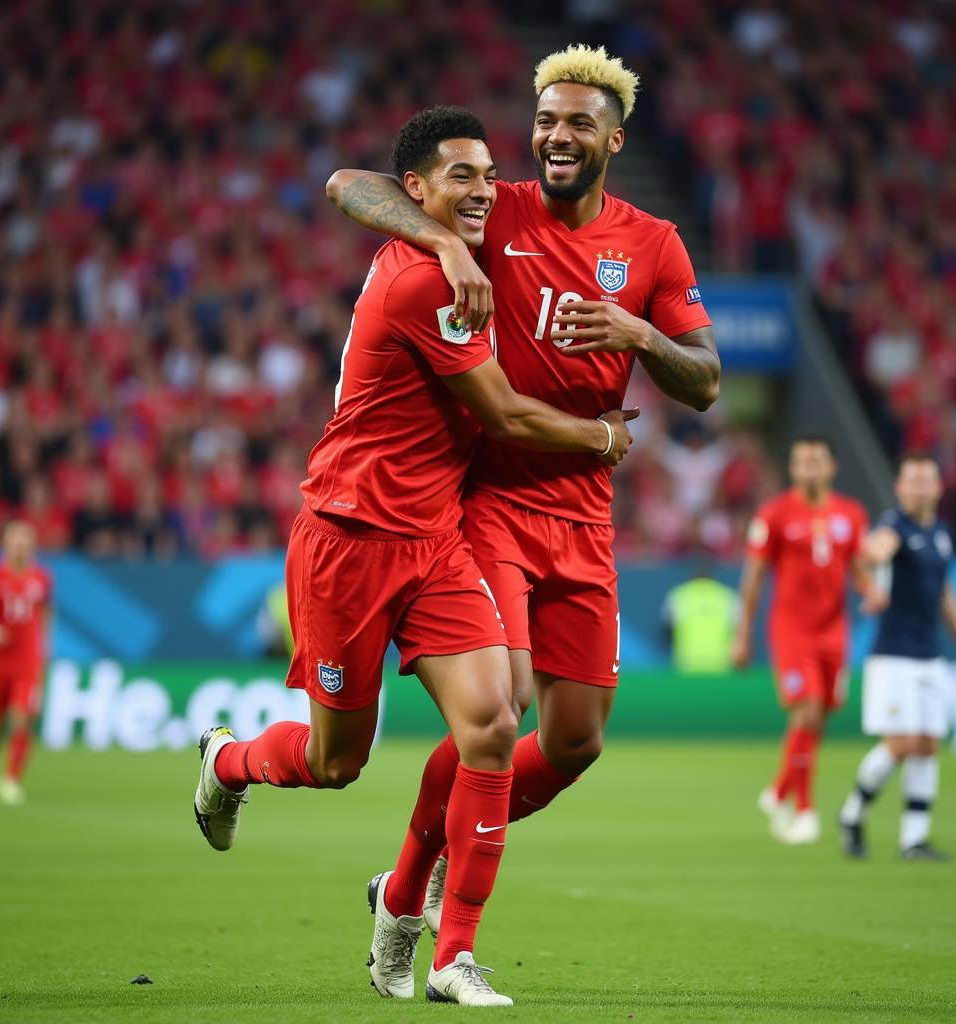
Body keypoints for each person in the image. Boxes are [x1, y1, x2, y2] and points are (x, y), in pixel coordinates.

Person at [192, 107, 636, 1008]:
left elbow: (357, 188)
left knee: (494, 726)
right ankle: (228, 761)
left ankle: (442, 949)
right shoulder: (418, 282)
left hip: (434, 540)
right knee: (335, 762)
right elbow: (506, 415)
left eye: (486, 174)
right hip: (348, 542)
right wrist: (599, 435)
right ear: (418, 192)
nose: (482, 190)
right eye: (459, 177)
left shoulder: (457, 250)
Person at [326, 44, 719, 936]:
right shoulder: (488, 209)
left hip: (585, 514)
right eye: (545, 121)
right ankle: (432, 911)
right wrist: (435, 240)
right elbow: (349, 182)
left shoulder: (653, 243)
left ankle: (402, 881)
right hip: (488, 506)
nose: (557, 136)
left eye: (579, 122)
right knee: (498, 717)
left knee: (576, 740)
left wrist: (637, 334)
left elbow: (704, 379)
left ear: (614, 140)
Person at [731, 435, 878, 844]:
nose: (807, 469)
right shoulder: (775, 513)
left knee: (820, 715)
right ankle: (805, 809)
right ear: (792, 469)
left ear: (832, 467)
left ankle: (777, 791)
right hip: (792, 629)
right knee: (808, 708)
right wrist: (743, 633)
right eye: (800, 462)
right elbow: (754, 577)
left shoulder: (851, 514)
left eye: (815, 462)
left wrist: (871, 592)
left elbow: (859, 568)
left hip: (835, 629)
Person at [839, 453, 956, 860]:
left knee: (928, 743)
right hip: (894, 655)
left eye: (927, 480)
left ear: (938, 488)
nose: (921, 488)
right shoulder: (893, 527)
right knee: (902, 742)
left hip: (930, 654)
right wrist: (871, 580)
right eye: (913, 481)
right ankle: (852, 812)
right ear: (900, 488)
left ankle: (913, 840)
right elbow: (872, 553)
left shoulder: (940, 531)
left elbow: (944, 592)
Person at [0, 520, 52, 805]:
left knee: (21, 719)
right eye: (16, 539)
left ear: (32, 545)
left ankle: (11, 779)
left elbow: (46, 613)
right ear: (6, 543)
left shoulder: (41, 578)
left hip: (27, 661)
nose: (21, 545)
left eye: (26, 539)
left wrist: (44, 647)